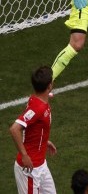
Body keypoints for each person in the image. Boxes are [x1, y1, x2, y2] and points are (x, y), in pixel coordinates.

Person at [10, 66, 57, 194]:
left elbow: (33, 127)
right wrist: (25, 156)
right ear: (49, 86)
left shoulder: (37, 100)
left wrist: (44, 141)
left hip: (41, 165)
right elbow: (15, 129)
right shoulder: (38, 108)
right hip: (30, 170)